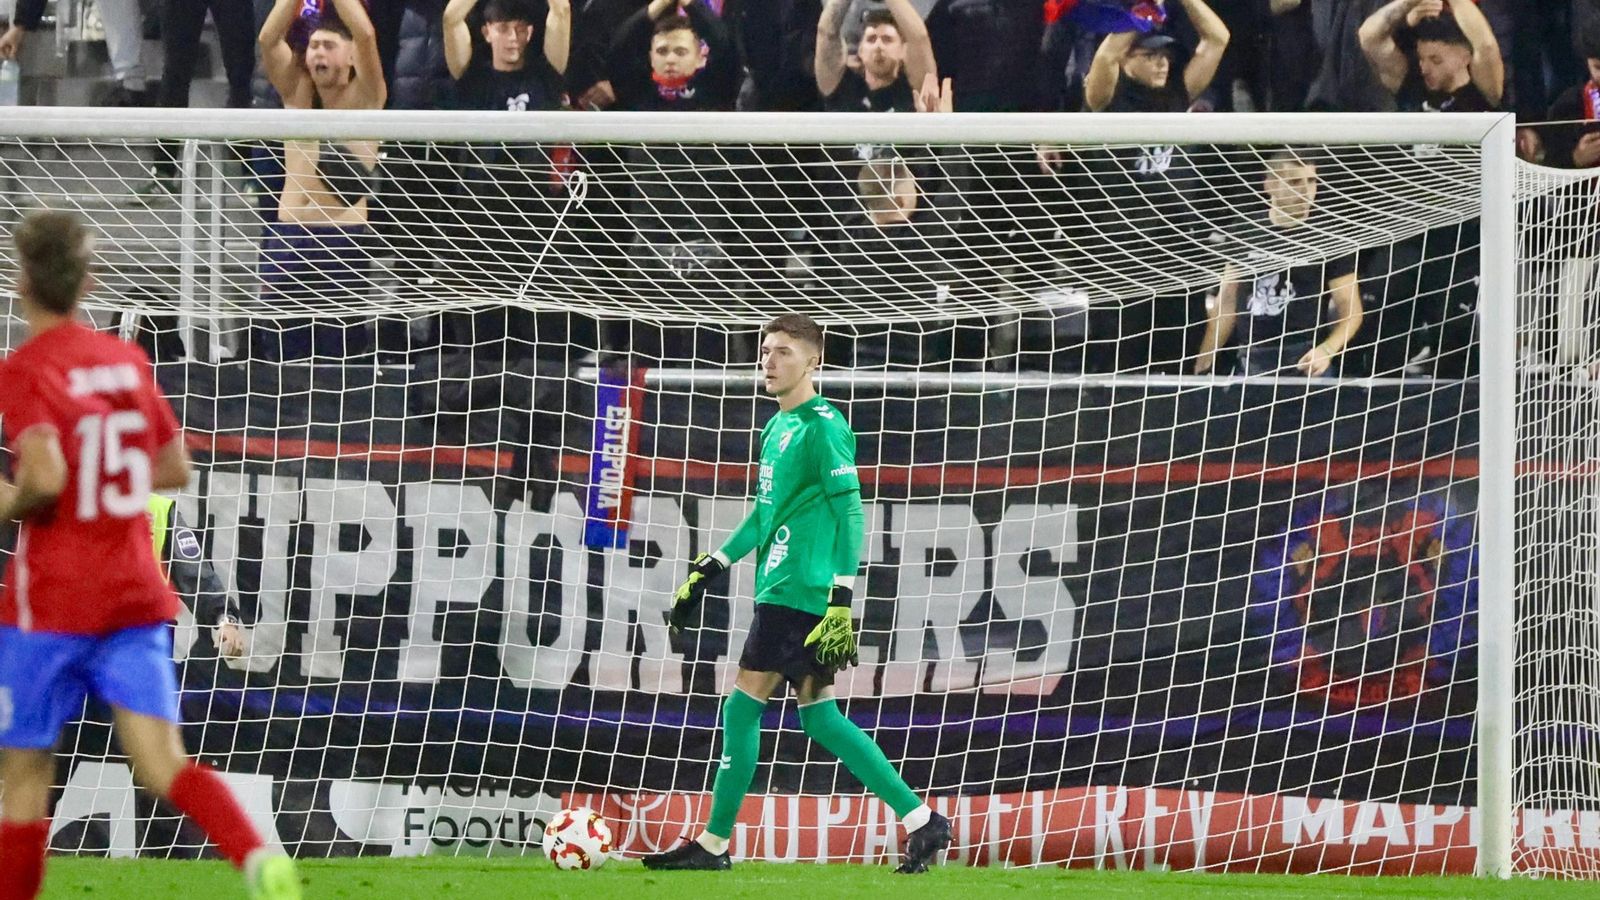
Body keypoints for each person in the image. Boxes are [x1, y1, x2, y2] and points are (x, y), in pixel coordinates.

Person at [0, 210, 298, 900]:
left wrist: (14, 500)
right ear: (87, 280)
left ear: (23, 284)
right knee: (164, 763)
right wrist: (107, 479)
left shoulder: (25, 370)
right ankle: (258, 860)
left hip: (53, 600)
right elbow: (173, 469)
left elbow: (40, 478)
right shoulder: (126, 362)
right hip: (134, 595)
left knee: (22, 776)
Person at [642, 314, 951, 874]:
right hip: (781, 586)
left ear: (813, 362)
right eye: (765, 351)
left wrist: (841, 596)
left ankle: (713, 845)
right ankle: (920, 819)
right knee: (820, 719)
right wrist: (712, 563)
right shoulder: (776, 427)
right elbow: (766, 512)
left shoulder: (822, 425)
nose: (769, 361)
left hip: (801, 591)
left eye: (783, 352)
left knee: (741, 709)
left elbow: (850, 509)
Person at [256, 0, 388, 361]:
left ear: (350, 58)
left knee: (338, 364)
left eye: (329, 46)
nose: (318, 53)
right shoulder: (296, 91)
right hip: (288, 239)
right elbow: (268, 40)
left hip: (341, 242)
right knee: (282, 361)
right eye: (314, 46)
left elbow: (364, 33)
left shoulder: (367, 98)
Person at [1194, 152, 1362, 377]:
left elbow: (1350, 308)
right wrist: (1204, 361)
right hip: (1251, 357)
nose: (1305, 190)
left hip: (1305, 357)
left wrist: (1327, 350)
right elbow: (1226, 302)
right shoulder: (1244, 230)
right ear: (1270, 184)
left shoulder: (1330, 236)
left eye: (1311, 181)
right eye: (1294, 181)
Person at [148, 494, 247, 660]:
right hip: (93, 632)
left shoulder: (159, 508)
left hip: (148, 635)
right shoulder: (89, 510)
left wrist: (225, 618)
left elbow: (194, 571)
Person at [1358, 0, 1503, 112]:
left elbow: (1486, 45)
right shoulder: (1413, 87)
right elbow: (1369, 36)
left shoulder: (1482, 94)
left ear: (1465, 57)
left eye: (1436, 60)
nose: (1425, 69)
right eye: (1422, 59)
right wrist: (1408, 3)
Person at [444, 0, 570, 110]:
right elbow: (451, 19)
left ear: (529, 33)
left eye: (520, 30)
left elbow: (562, 11)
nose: (512, 37)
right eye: (503, 29)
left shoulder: (545, 76)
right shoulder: (473, 78)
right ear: (487, 32)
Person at [816, 0, 936, 113]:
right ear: (861, 50)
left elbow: (919, 38)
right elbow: (826, 32)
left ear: (903, 50)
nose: (878, 46)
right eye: (871, 39)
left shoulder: (913, 91)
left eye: (887, 40)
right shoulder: (841, 88)